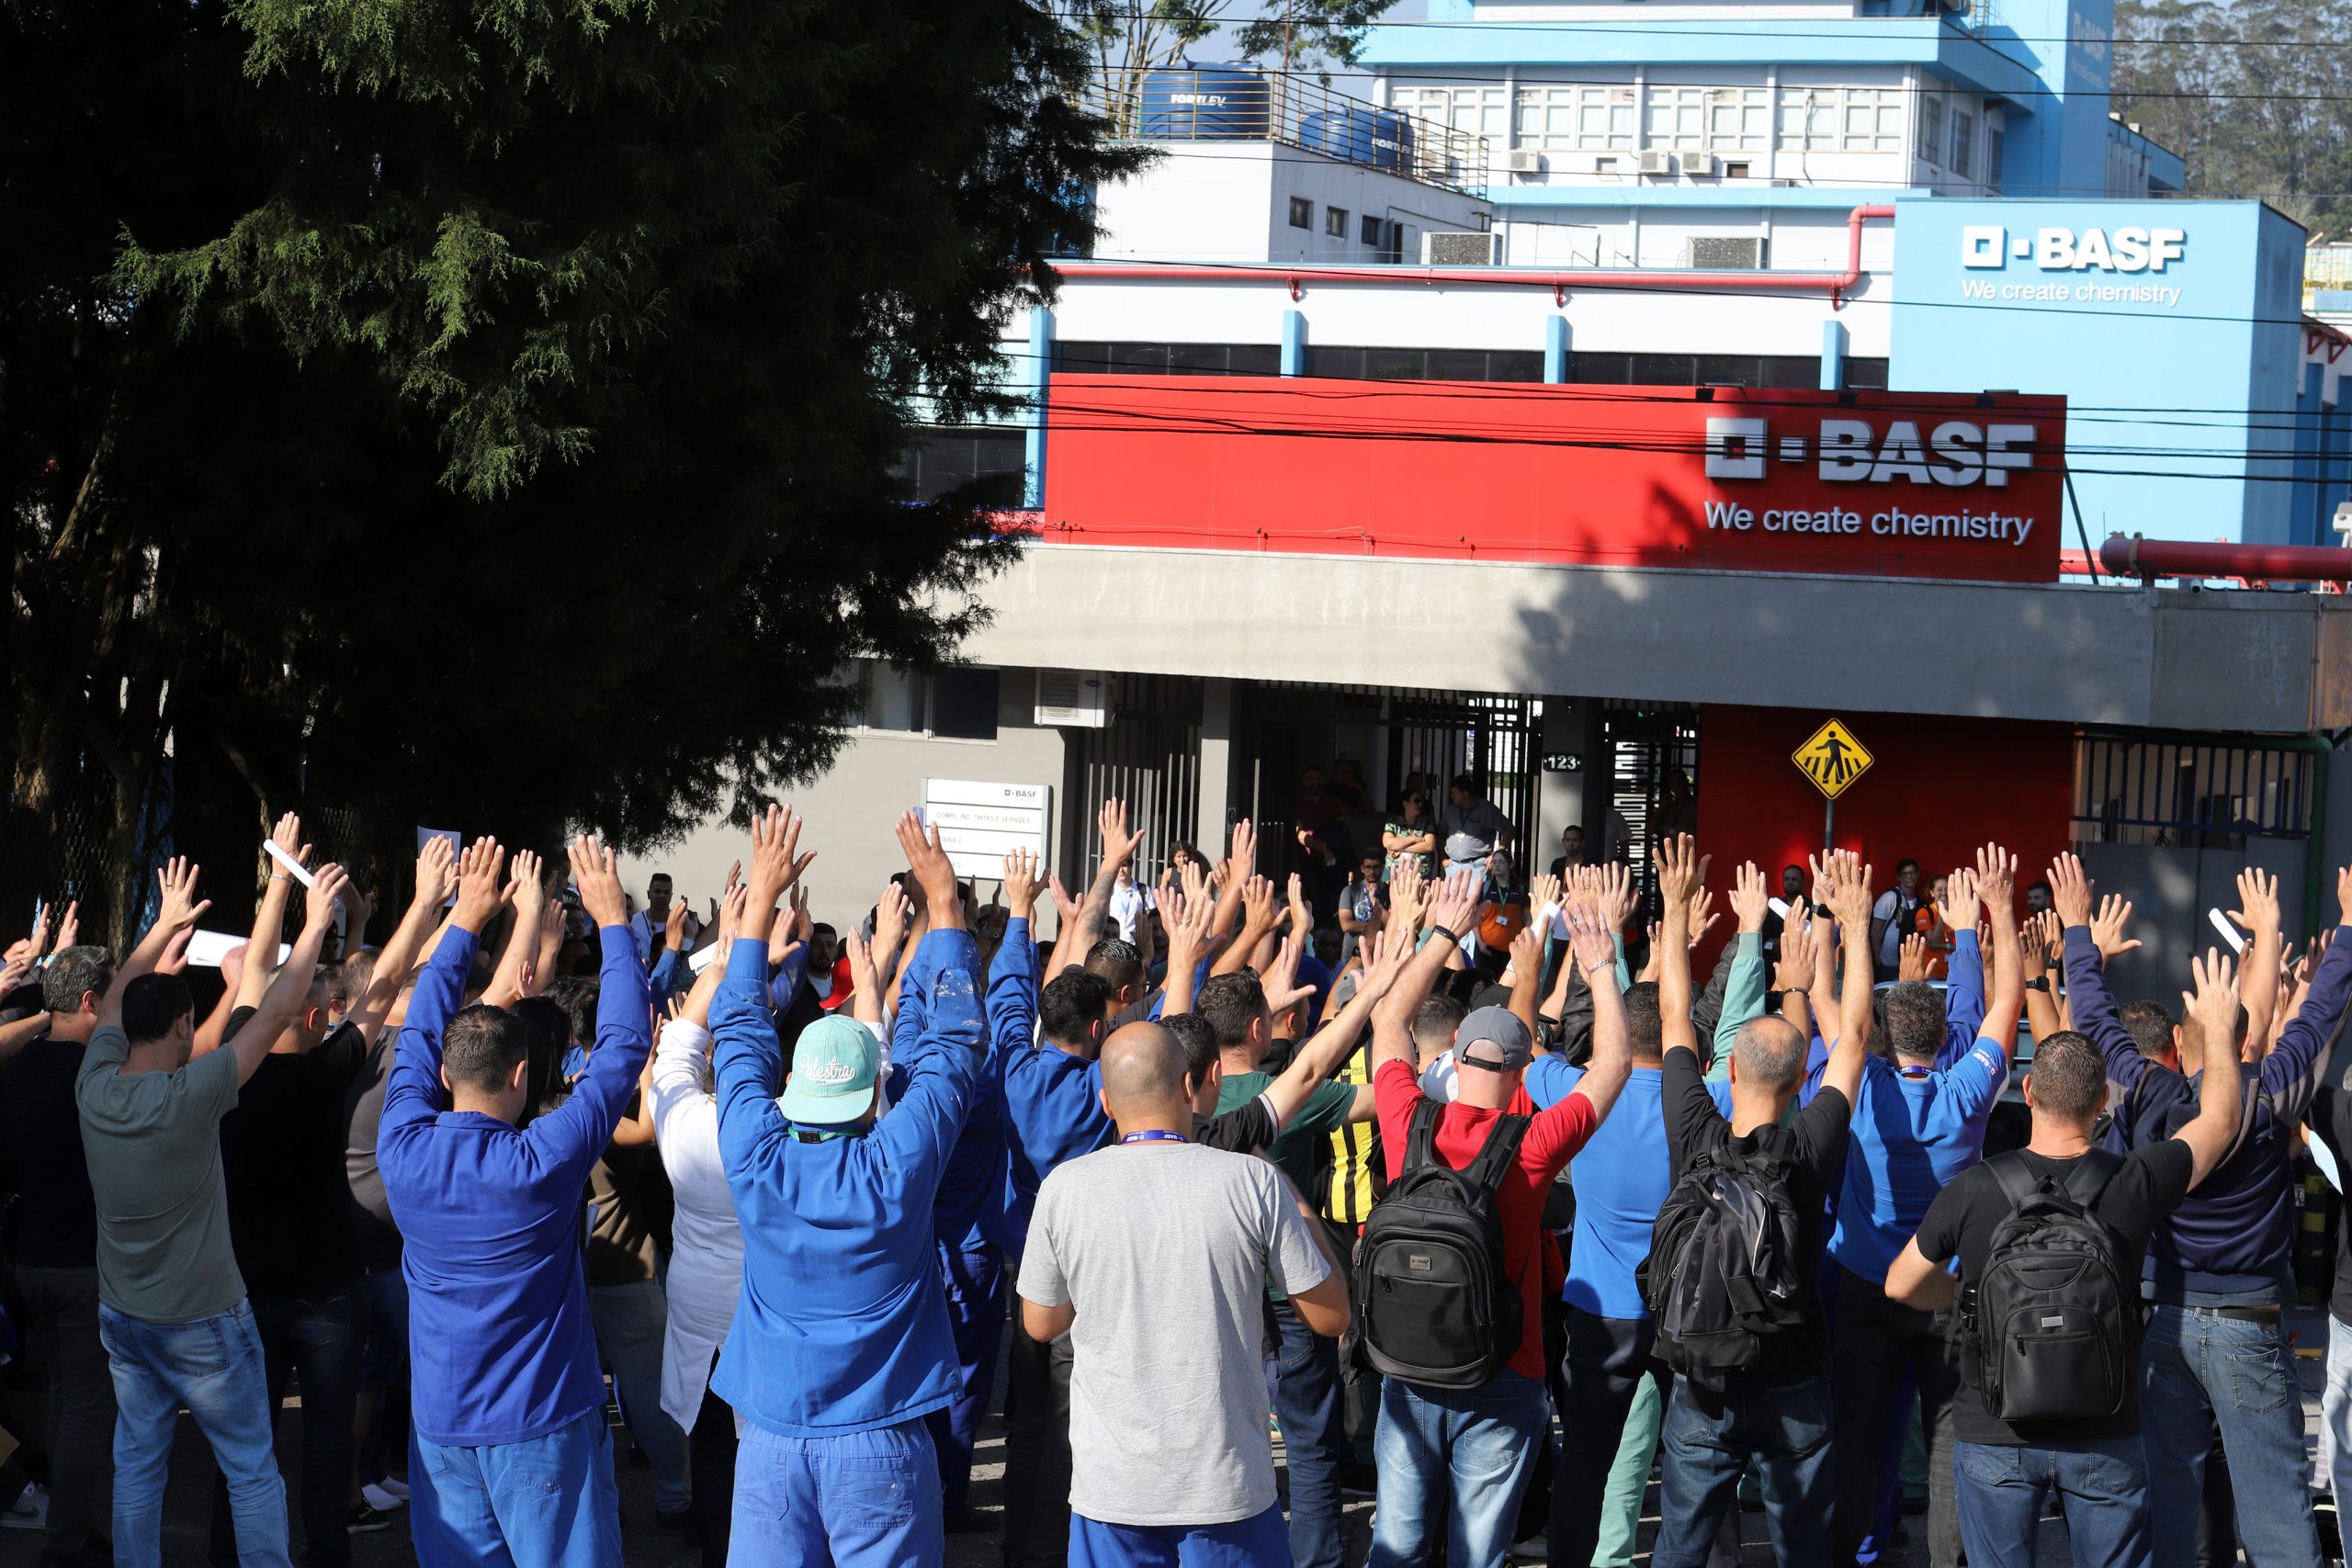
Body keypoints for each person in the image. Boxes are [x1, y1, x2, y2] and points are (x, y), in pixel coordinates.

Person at [1884, 954, 2252, 1568]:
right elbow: (2220, 1119)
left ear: (2028, 1090)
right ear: (2104, 1098)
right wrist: (2216, 1029)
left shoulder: (1975, 1188)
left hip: (1994, 1426)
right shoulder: (2134, 1182)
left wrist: (1959, 1299)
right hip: (2105, 1427)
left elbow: (1900, 1283)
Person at [2052, 854, 2352, 1568]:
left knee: (2168, 1502)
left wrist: (2074, 927)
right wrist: (2342, 926)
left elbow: (2093, 1018)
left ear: (2175, 1045)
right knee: (2278, 1510)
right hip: (2250, 1323)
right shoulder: (2268, 1093)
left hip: (2167, 1323)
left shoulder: (2148, 1096)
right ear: (2246, 1039)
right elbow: (2320, 1010)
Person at [709, 807, 980, 1565]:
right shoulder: (897, 1161)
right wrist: (946, 904)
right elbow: (956, 1048)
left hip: (770, 1441)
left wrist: (758, 904)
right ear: (870, 1096)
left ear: (793, 1088)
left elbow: (734, 1032)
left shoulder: (755, 1154)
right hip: (881, 1441)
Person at [377, 834, 651, 1566]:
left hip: (441, 1428)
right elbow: (624, 1049)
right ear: (522, 1075)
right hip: (542, 1424)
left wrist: (465, 916)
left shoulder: (401, 1146)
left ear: (443, 1073)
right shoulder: (541, 1159)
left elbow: (416, 1035)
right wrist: (614, 920)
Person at [80, 854, 344, 1568]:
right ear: (183, 1025)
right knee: (252, 1468)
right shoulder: (191, 1094)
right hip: (205, 1322)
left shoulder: (94, 1084)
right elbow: (282, 1009)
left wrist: (160, 924)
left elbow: (112, 1003)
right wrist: (316, 921)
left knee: (138, 1464)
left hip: (125, 1315)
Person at [1364, 871, 1633, 1568]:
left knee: (1395, 1543)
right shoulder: (1536, 1142)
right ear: (1520, 1074)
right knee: (1478, 1553)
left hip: (1408, 1361)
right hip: (1505, 1369)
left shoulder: (1405, 1118)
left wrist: (1443, 933)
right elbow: (1612, 1064)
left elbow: (1388, 1020)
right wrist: (1601, 963)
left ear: (1452, 1055)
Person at [1015, 1021, 1349, 1565]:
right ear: (1190, 1088)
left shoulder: (1063, 1189)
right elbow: (1332, 1316)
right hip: (1227, 1484)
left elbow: (1040, 1323)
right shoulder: (1252, 1181)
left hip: (1112, 1488)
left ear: (1105, 1102)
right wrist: (1299, 1209)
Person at [1649, 837, 1875, 1568]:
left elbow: (1676, 1016)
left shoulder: (1693, 1129)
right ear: (1802, 1071)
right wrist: (1855, 925)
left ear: (1731, 1065)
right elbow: (1859, 1039)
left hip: (1702, 1381)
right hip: (1795, 1380)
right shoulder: (1810, 1149)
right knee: (1804, 1551)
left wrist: (1678, 907)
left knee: (1681, 1547)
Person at [209, 816, 401, 1564]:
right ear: (320, 1016)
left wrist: (283, 878)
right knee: (325, 1451)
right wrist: (383, 916)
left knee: (244, 1445)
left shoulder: (227, 1072)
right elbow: (379, 991)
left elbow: (258, 966)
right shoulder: (331, 1073)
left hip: (246, 1287)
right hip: (325, 1288)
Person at [1826, 849, 2023, 1568]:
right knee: (1948, 1443)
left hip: (1864, 1288)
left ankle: (1854, 1554)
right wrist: (1987, 916)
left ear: (1881, 1039)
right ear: (1945, 1042)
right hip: (1948, 1292)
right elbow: (2003, 1006)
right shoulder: (1967, 1095)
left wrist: (1849, 927)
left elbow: (1843, 1023)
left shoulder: (1857, 1086)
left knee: (1860, 1441)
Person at [1200, 965, 1370, 1568]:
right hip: (1295, 1294)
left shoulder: (1184, 1099)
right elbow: (1386, 1094)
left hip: (1217, 1293)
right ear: (1257, 1026)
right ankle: (1317, 1558)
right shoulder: (1296, 1096)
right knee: (1310, 1443)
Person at [3, 941, 119, 1568]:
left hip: (34, 1258)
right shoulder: (92, 1073)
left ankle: (73, 1517)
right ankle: (66, 1543)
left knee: (61, 1397)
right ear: (89, 1000)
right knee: (85, 1406)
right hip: (78, 1263)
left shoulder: (21, 1066)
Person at [649, 890, 751, 1568]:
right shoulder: (777, 1131)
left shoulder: (679, 1119)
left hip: (696, 1306)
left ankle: (715, 1549)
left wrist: (716, 960)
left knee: (711, 1444)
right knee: (756, 1450)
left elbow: (673, 1055)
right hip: (757, 1310)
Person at [1440, 773, 1511, 872]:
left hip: (1478, 867)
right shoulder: (1450, 811)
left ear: (1465, 794)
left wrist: (1497, 854)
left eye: (1455, 794)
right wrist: (1443, 859)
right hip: (1452, 866)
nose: (1452, 797)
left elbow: (1509, 830)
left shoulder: (1486, 809)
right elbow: (1439, 834)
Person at [1871, 858, 1923, 982]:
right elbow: (1875, 929)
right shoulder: (1890, 898)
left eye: (1913, 873)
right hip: (1888, 963)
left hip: (1909, 965)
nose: (1910, 876)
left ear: (1918, 874)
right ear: (1899, 878)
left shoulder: (1920, 903)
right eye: (1906, 874)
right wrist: (1877, 960)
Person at [1384, 789, 1440, 883]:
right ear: (1405, 804)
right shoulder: (1393, 822)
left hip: (1420, 875)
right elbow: (1387, 843)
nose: (1420, 804)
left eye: (1421, 801)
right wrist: (1413, 839)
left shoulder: (1427, 823)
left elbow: (1429, 845)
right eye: (1416, 801)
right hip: (1393, 874)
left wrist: (1399, 848)